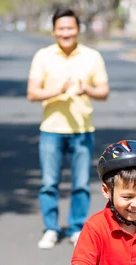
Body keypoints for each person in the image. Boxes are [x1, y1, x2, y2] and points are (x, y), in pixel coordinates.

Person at [27, 7, 110, 249]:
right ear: (54, 31)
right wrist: (58, 90)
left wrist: (87, 89)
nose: (66, 32)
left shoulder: (92, 56)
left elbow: (103, 92)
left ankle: (76, 228)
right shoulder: (43, 56)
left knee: (81, 183)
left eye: (70, 28)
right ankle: (51, 229)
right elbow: (32, 93)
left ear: (78, 30)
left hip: (82, 129)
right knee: (49, 183)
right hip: (51, 129)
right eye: (61, 28)